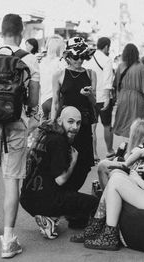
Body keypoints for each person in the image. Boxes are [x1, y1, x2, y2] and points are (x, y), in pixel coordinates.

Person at [0, 14, 40, 259]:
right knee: (12, 180)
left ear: (1, 31)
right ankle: (8, 240)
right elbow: (33, 99)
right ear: (21, 33)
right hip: (16, 123)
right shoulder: (29, 58)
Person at [75, 119, 144, 251]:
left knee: (116, 181)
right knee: (116, 177)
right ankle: (103, 230)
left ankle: (105, 232)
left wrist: (136, 179)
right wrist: (130, 170)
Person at [20, 106, 99, 240]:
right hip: (43, 200)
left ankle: (50, 215)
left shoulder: (45, 133)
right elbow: (61, 180)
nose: (75, 127)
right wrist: (74, 161)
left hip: (27, 198)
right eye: (70, 121)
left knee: (74, 193)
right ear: (60, 120)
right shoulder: (59, 141)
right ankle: (49, 216)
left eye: (78, 123)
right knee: (94, 203)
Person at [50, 37, 96, 195]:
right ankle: (64, 197)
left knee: (83, 164)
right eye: (76, 56)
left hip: (83, 124)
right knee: (64, 161)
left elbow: (94, 101)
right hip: (65, 125)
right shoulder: (59, 74)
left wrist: (89, 95)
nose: (79, 60)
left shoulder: (90, 73)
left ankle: (71, 194)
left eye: (83, 56)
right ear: (68, 56)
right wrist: (51, 123)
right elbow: (55, 102)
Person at [84, 37, 115, 159]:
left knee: (92, 126)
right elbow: (108, 81)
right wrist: (107, 97)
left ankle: (94, 154)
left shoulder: (88, 59)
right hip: (103, 97)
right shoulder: (107, 60)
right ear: (106, 46)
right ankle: (109, 150)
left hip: (90, 96)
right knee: (107, 125)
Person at [113, 43, 144, 138]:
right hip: (137, 97)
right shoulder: (140, 66)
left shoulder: (120, 66)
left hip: (123, 96)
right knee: (136, 123)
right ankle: (135, 144)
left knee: (124, 122)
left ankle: (126, 145)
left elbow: (117, 85)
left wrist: (118, 98)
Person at [39, 35, 66, 120]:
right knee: (55, 129)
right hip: (56, 102)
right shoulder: (62, 63)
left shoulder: (41, 62)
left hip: (43, 101)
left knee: (43, 129)